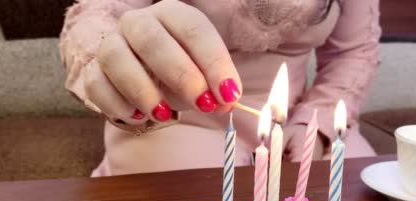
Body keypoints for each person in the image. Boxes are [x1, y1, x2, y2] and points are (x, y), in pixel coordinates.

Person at [60, 0, 380, 177]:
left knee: (353, 191)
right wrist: (106, 57)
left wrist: (317, 120)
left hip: (299, 124)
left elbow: (353, 51)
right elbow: (99, 16)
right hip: (175, 119)